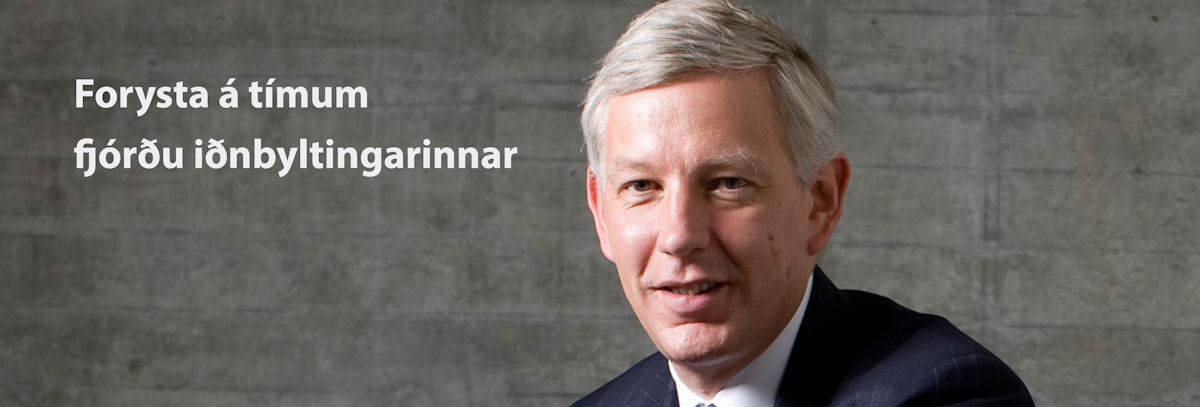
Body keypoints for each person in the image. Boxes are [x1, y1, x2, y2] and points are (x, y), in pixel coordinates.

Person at [572, 0, 1034, 406]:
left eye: (728, 183)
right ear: (601, 214)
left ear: (820, 201)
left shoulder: (946, 392)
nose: (679, 236)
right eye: (641, 186)